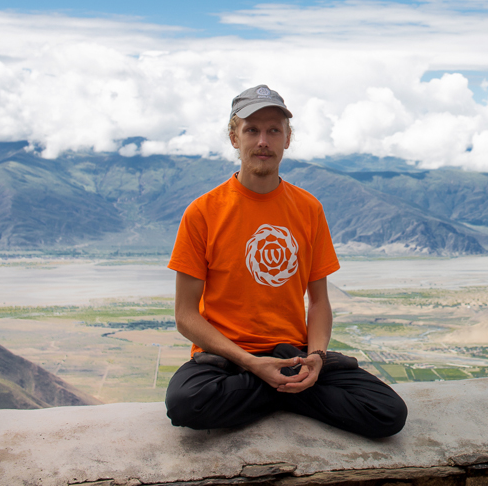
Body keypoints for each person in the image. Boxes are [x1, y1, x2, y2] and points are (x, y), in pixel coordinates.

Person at [164, 85, 407, 437]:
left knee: (388, 412)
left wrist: (317, 358)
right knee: (185, 403)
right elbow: (185, 316)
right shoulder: (202, 213)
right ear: (234, 138)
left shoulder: (308, 209)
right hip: (227, 358)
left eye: (274, 131)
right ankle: (288, 391)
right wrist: (251, 363)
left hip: (293, 354)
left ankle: (279, 387)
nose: (263, 141)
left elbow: (319, 302)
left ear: (287, 139)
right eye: (252, 130)